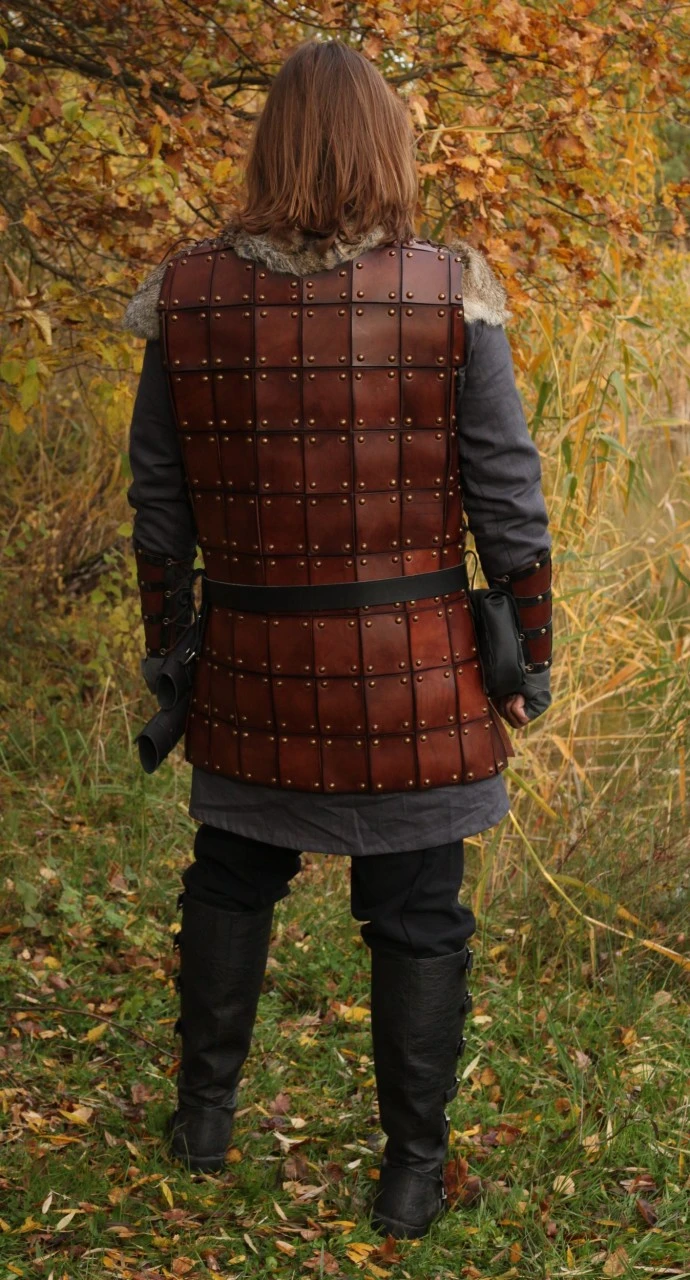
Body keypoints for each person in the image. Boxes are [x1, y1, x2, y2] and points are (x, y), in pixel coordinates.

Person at [123, 39, 552, 1240]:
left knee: (231, 873)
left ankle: (204, 1123)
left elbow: (159, 506)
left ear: (272, 145)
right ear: (386, 148)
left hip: (251, 668)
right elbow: (508, 496)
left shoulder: (190, 293)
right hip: (416, 675)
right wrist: (530, 655)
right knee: (418, 912)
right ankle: (411, 1173)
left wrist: (174, 656)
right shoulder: (447, 287)